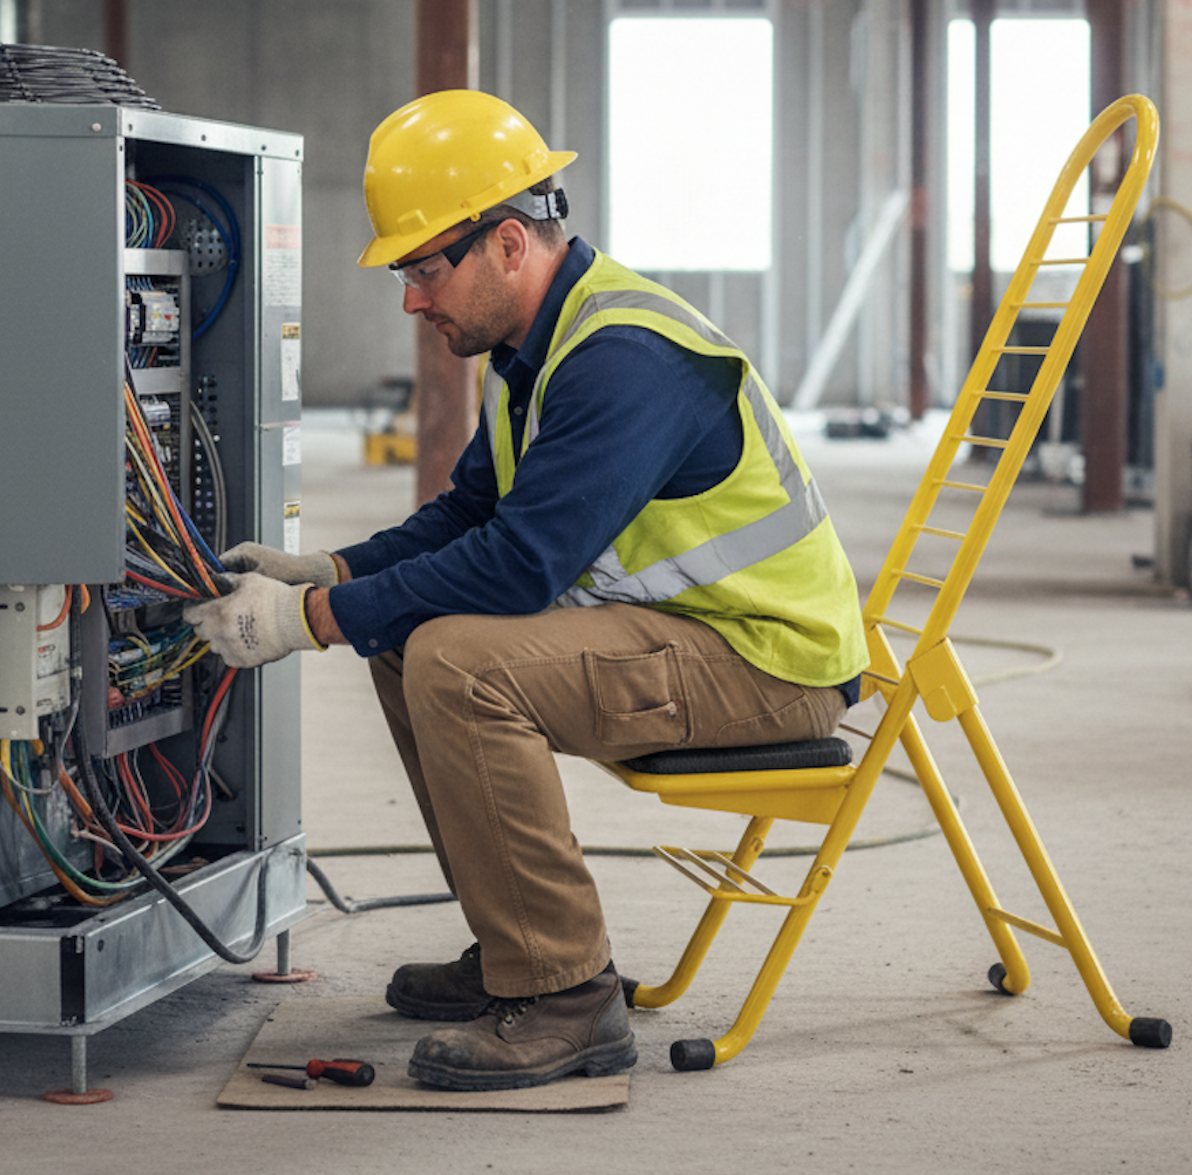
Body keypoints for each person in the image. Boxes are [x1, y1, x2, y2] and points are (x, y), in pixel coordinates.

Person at [185, 89, 869, 1092]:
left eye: (424, 269)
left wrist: (308, 621)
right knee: (405, 636)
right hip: (694, 636)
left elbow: (518, 566)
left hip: (770, 661)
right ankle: (516, 947)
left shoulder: (623, 359)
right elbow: (469, 514)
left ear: (507, 244)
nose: (411, 301)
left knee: (457, 661)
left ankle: (565, 995)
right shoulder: (534, 351)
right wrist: (331, 572)